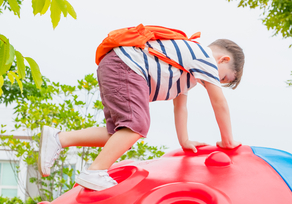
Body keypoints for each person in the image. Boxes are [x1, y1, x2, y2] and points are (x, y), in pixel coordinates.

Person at [38, 36, 245, 191]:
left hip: (115, 65)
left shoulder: (188, 73)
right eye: (224, 78)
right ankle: (95, 171)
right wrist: (227, 141)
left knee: (118, 134)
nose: (218, 83)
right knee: (136, 125)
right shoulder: (205, 57)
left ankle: (59, 138)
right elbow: (219, 102)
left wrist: (184, 140)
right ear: (222, 59)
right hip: (125, 66)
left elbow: (180, 107)